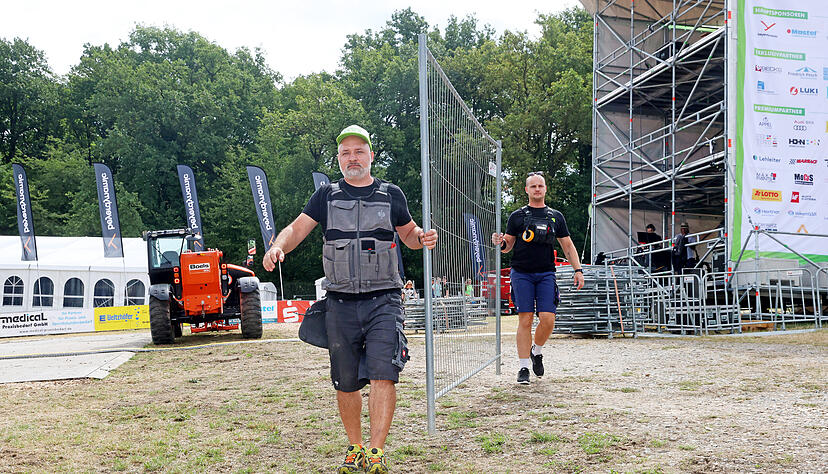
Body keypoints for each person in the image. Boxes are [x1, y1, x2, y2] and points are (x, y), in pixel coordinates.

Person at [263, 125, 438, 473]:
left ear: (371, 156)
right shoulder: (326, 196)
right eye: (345, 153)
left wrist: (422, 237)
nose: (352, 158)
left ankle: (376, 452)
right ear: (339, 159)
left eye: (359, 151)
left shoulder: (391, 195)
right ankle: (354, 447)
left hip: (384, 300)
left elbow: (409, 235)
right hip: (340, 303)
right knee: (345, 382)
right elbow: (297, 228)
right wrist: (278, 246)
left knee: (383, 374)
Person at [491, 171, 584, 385]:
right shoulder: (517, 216)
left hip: (546, 274)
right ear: (526, 190)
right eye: (533, 186)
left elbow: (567, 246)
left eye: (540, 186)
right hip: (521, 273)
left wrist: (578, 270)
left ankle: (537, 351)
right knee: (525, 319)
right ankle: (523, 367)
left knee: (548, 318)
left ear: (545, 189)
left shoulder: (555, 216)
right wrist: (500, 242)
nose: (537, 189)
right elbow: (507, 246)